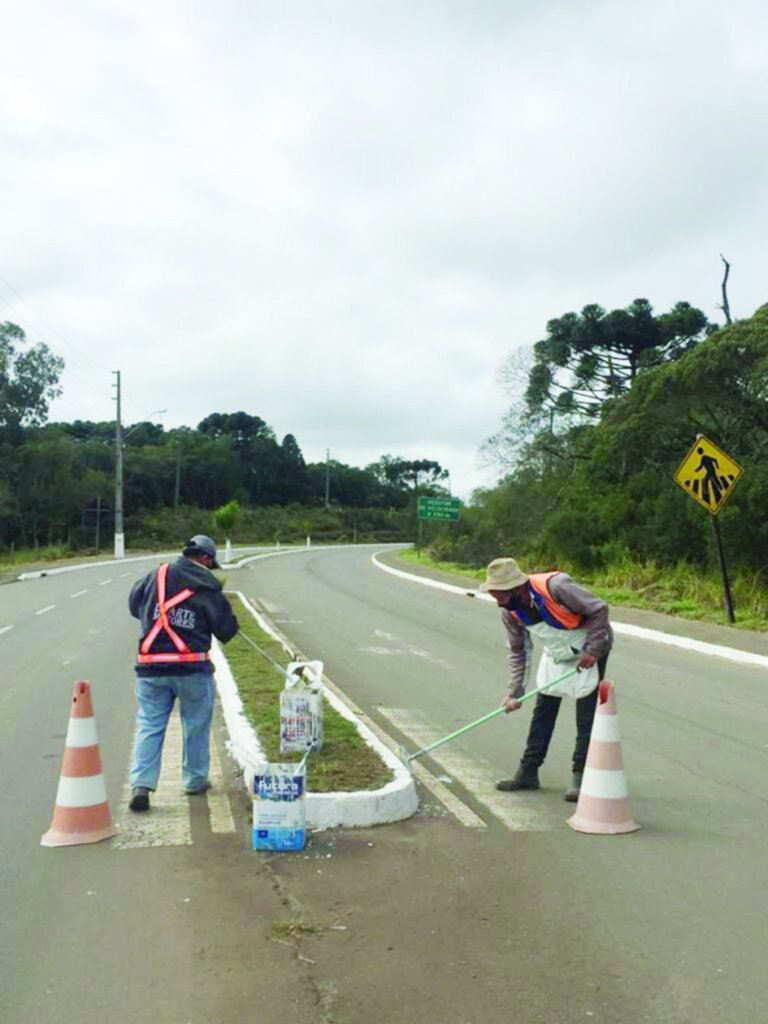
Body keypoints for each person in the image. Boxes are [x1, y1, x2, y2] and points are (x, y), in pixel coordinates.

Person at [479, 556, 613, 802]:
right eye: (493, 593)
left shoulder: (557, 588)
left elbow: (599, 609)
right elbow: (519, 651)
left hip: (588, 649)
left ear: (516, 588)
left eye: (499, 593)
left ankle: (580, 776)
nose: (496, 599)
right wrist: (515, 691)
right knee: (543, 711)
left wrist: (593, 650)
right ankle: (528, 771)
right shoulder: (511, 612)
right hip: (556, 654)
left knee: (585, 714)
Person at [127, 534, 239, 812]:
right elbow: (225, 630)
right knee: (196, 724)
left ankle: (141, 784)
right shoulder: (207, 586)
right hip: (192, 670)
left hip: (151, 668)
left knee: (150, 724)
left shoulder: (156, 574)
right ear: (205, 558)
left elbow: (134, 606)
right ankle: (194, 780)